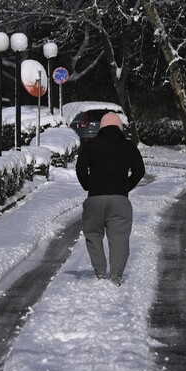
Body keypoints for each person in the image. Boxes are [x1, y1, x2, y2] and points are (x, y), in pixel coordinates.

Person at [76, 112, 145, 285]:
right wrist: (125, 187)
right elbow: (139, 170)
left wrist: (88, 185)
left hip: (95, 199)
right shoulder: (128, 146)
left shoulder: (91, 145)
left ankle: (100, 271)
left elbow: (80, 168)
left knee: (93, 234)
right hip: (119, 200)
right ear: (120, 127)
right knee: (120, 237)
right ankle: (116, 276)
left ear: (101, 128)